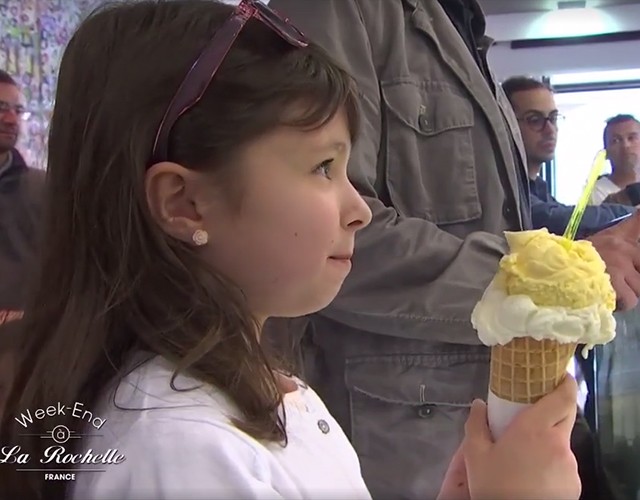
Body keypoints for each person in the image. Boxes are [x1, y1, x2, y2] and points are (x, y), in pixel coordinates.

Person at [0, 2, 582, 499]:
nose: (358, 210)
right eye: (323, 168)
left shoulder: (267, 390)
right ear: (184, 203)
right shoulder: (181, 447)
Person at [264, 1, 640, 497]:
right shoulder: (342, 10)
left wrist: (577, 258)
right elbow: (320, 237)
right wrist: (551, 284)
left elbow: (506, 217)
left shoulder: (462, 25)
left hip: (494, 426)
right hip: (400, 434)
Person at [501, 76, 633, 239]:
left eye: (553, 118)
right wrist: (634, 213)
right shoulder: (503, 186)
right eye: (534, 120)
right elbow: (558, 220)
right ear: (506, 125)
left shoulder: (538, 187)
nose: (550, 130)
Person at [0, 70, 45, 324]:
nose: (10, 119)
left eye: (18, 110)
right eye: (1, 107)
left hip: (24, 342)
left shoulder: (44, 189)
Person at [591, 114, 640, 206]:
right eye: (616, 140)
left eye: (632, 138)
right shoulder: (595, 194)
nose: (626, 145)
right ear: (606, 153)